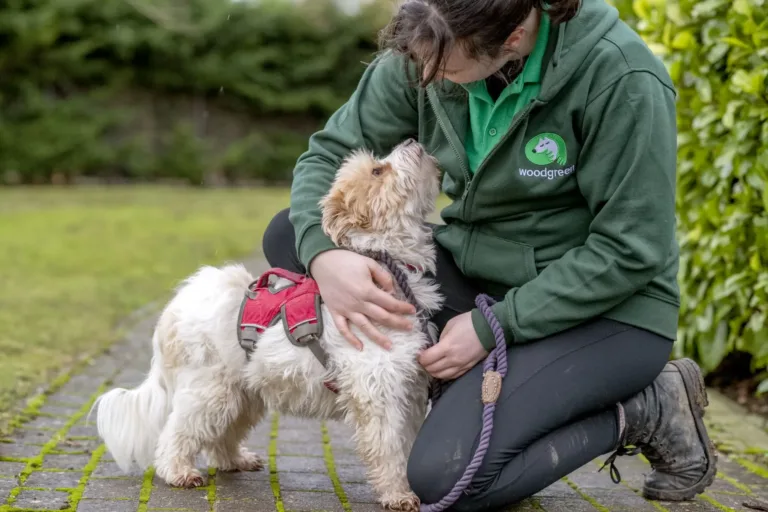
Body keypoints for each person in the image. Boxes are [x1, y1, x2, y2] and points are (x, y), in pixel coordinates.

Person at [261, 0, 717, 509]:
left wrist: (491, 328)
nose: (427, 76)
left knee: (446, 481)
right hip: (481, 273)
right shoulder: (433, 40)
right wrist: (325, 258)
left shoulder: (622, 76)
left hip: (603, 310)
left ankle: (647, 407)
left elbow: (631, 251)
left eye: (445, 71)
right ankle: (456, 385)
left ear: (514, 38)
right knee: (291, 235)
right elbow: (328, 155)